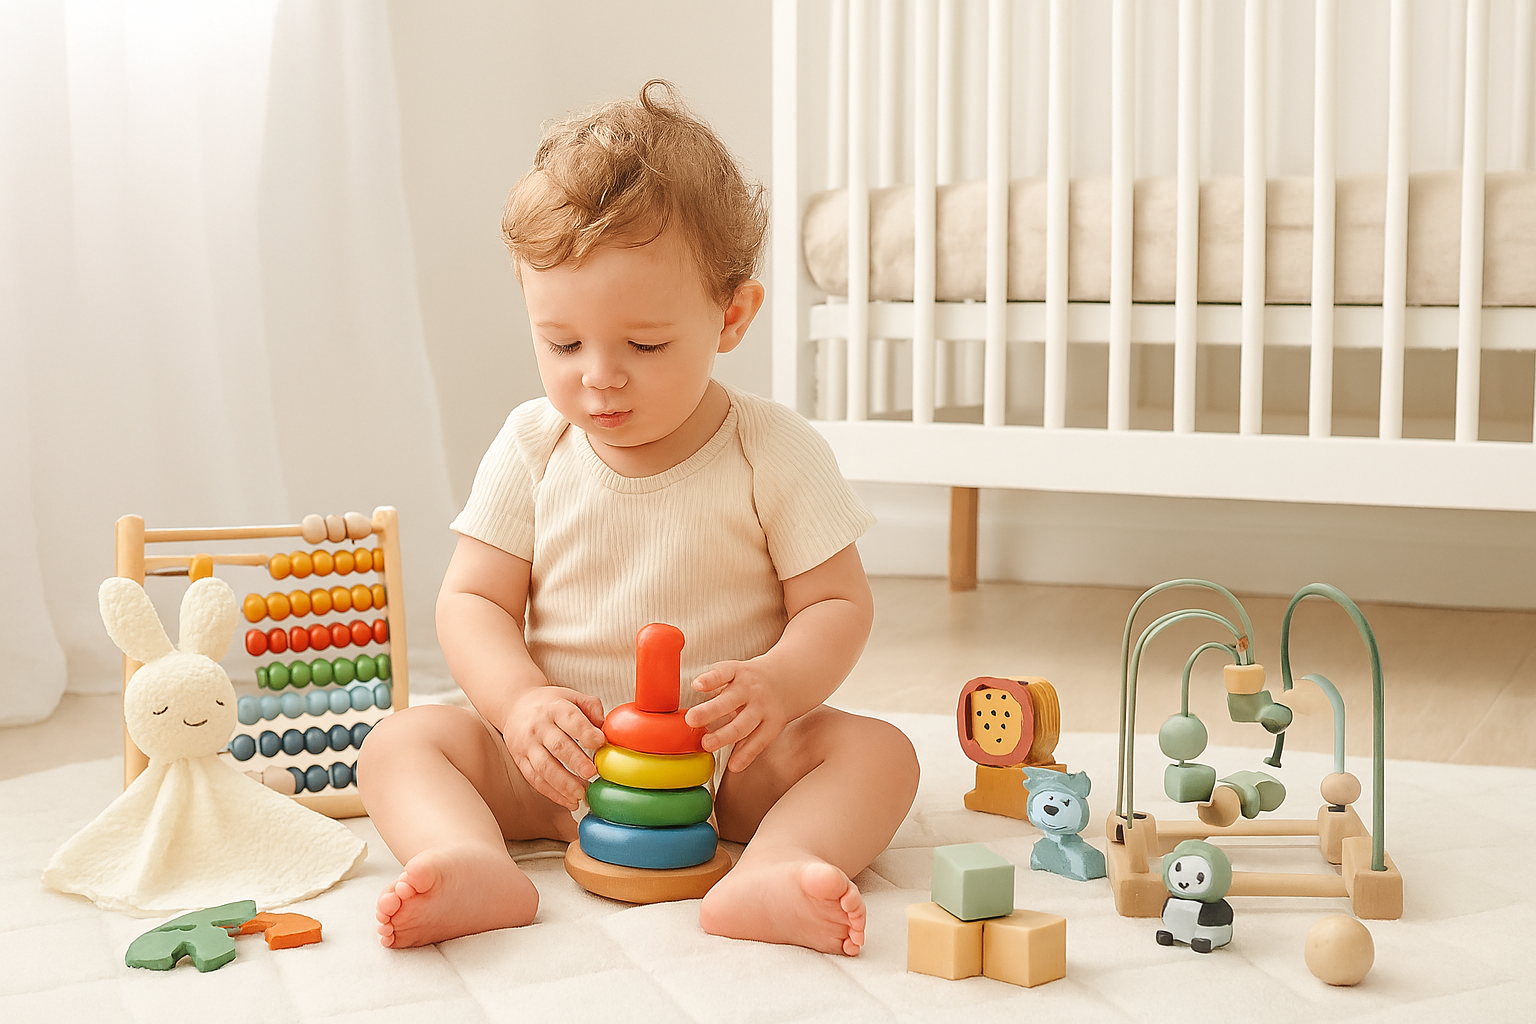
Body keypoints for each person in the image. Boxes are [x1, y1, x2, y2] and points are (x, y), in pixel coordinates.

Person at [357, 80, 919, 957]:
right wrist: (520, 706)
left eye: (644, 345)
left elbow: (837, 606)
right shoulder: (532, 446)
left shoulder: (770, 449)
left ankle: (779, 865)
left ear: (730, 315)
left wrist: (778, 684)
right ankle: (465, 857)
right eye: (563, 343)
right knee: (398, 743)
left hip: (724, 769)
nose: (600, 376)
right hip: (559, 769)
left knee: (880, 755)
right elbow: (473, 603)